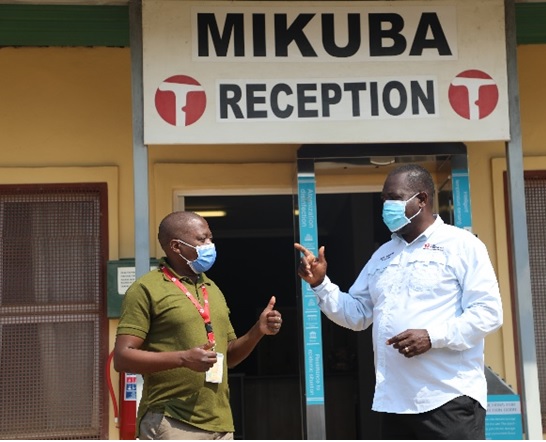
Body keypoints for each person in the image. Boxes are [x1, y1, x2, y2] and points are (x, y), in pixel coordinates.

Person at [294, 164, 503, 440]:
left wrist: (432, 337)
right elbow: (357, 315)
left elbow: (488, 313)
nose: (386, 206)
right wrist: (320, 284)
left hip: (448, 398)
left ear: (422, 199)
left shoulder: (461, 245)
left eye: (394, 198)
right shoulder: (383, 255)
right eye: (384, 199)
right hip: (395, 403)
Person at [114, 211, 283, 440]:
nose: (210, 245)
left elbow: (229, 356)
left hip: (220, 423)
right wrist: (183, 359)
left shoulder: (211, 288)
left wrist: (258, 331)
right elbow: (122, 358)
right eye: (202, 239)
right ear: (176, 246)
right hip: (172, 420)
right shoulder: (146, 289)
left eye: (210, 238)